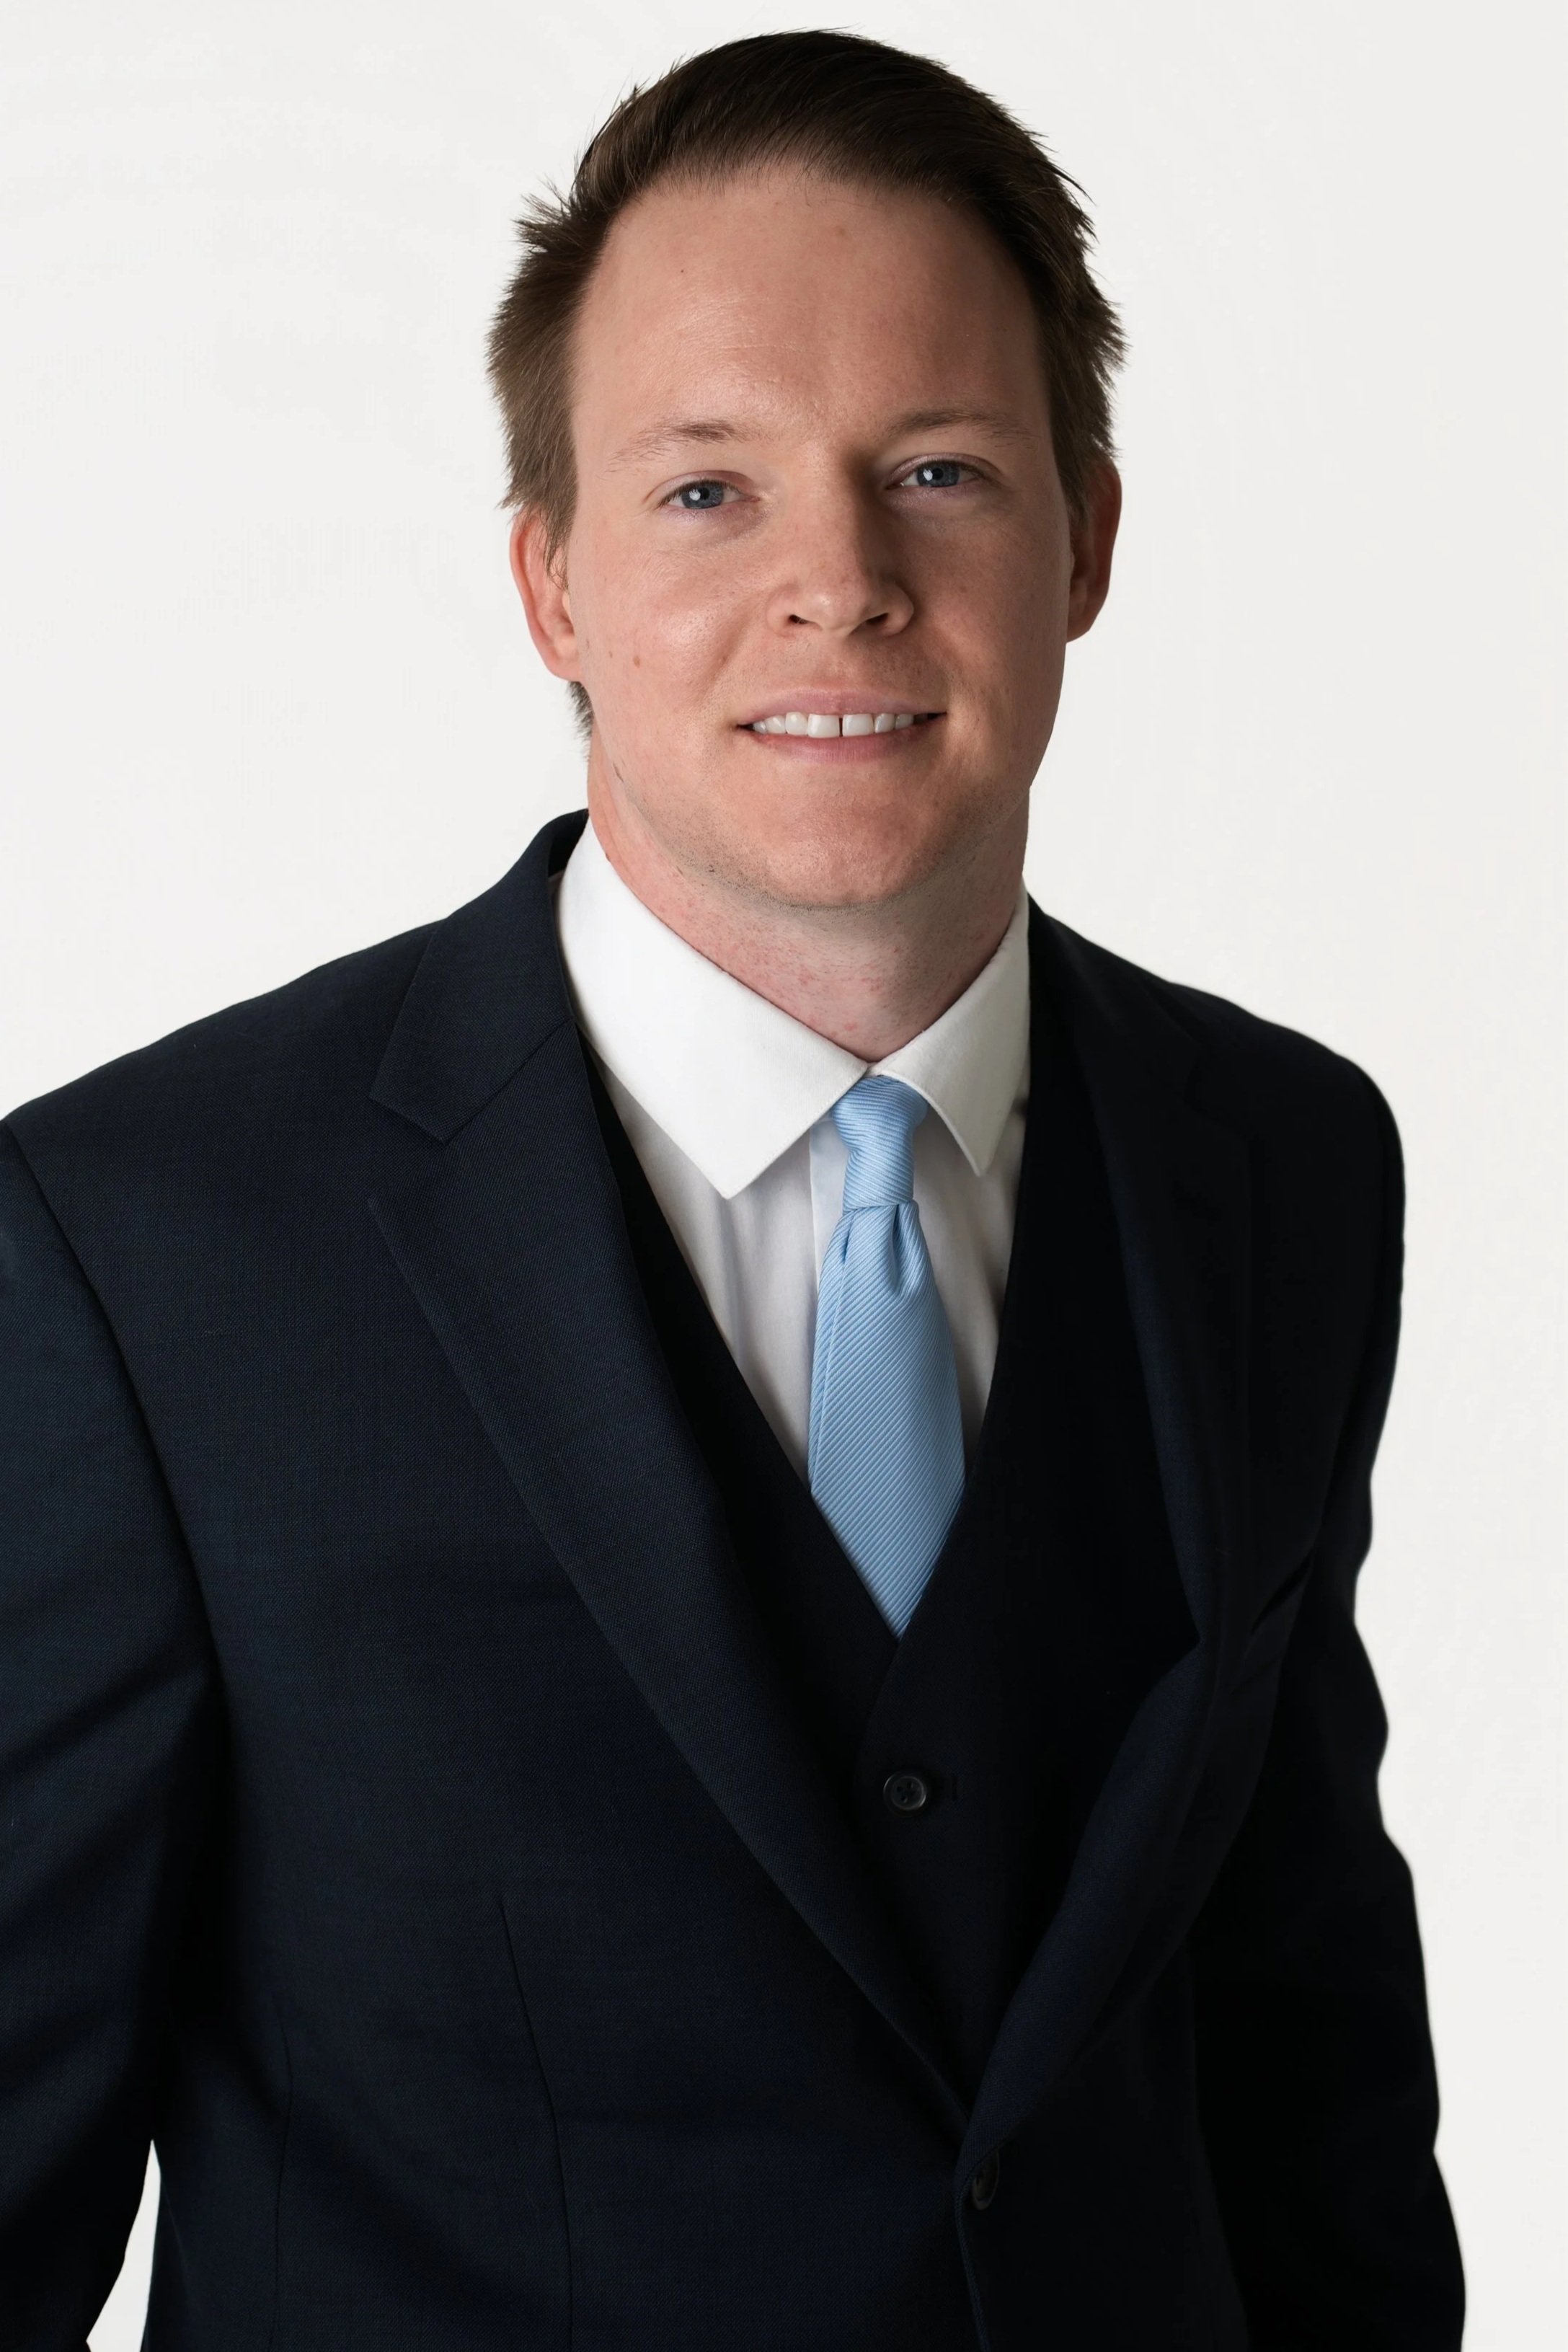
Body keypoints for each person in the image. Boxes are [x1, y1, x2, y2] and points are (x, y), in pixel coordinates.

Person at [0, 30, 1463, 2350]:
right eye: (707, 494)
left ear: (1084, 540)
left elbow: (1311, 2079)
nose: (842, 584)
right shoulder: (140, 1254)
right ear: (550, 584)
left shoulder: (1286, 1164)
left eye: (942, 471)